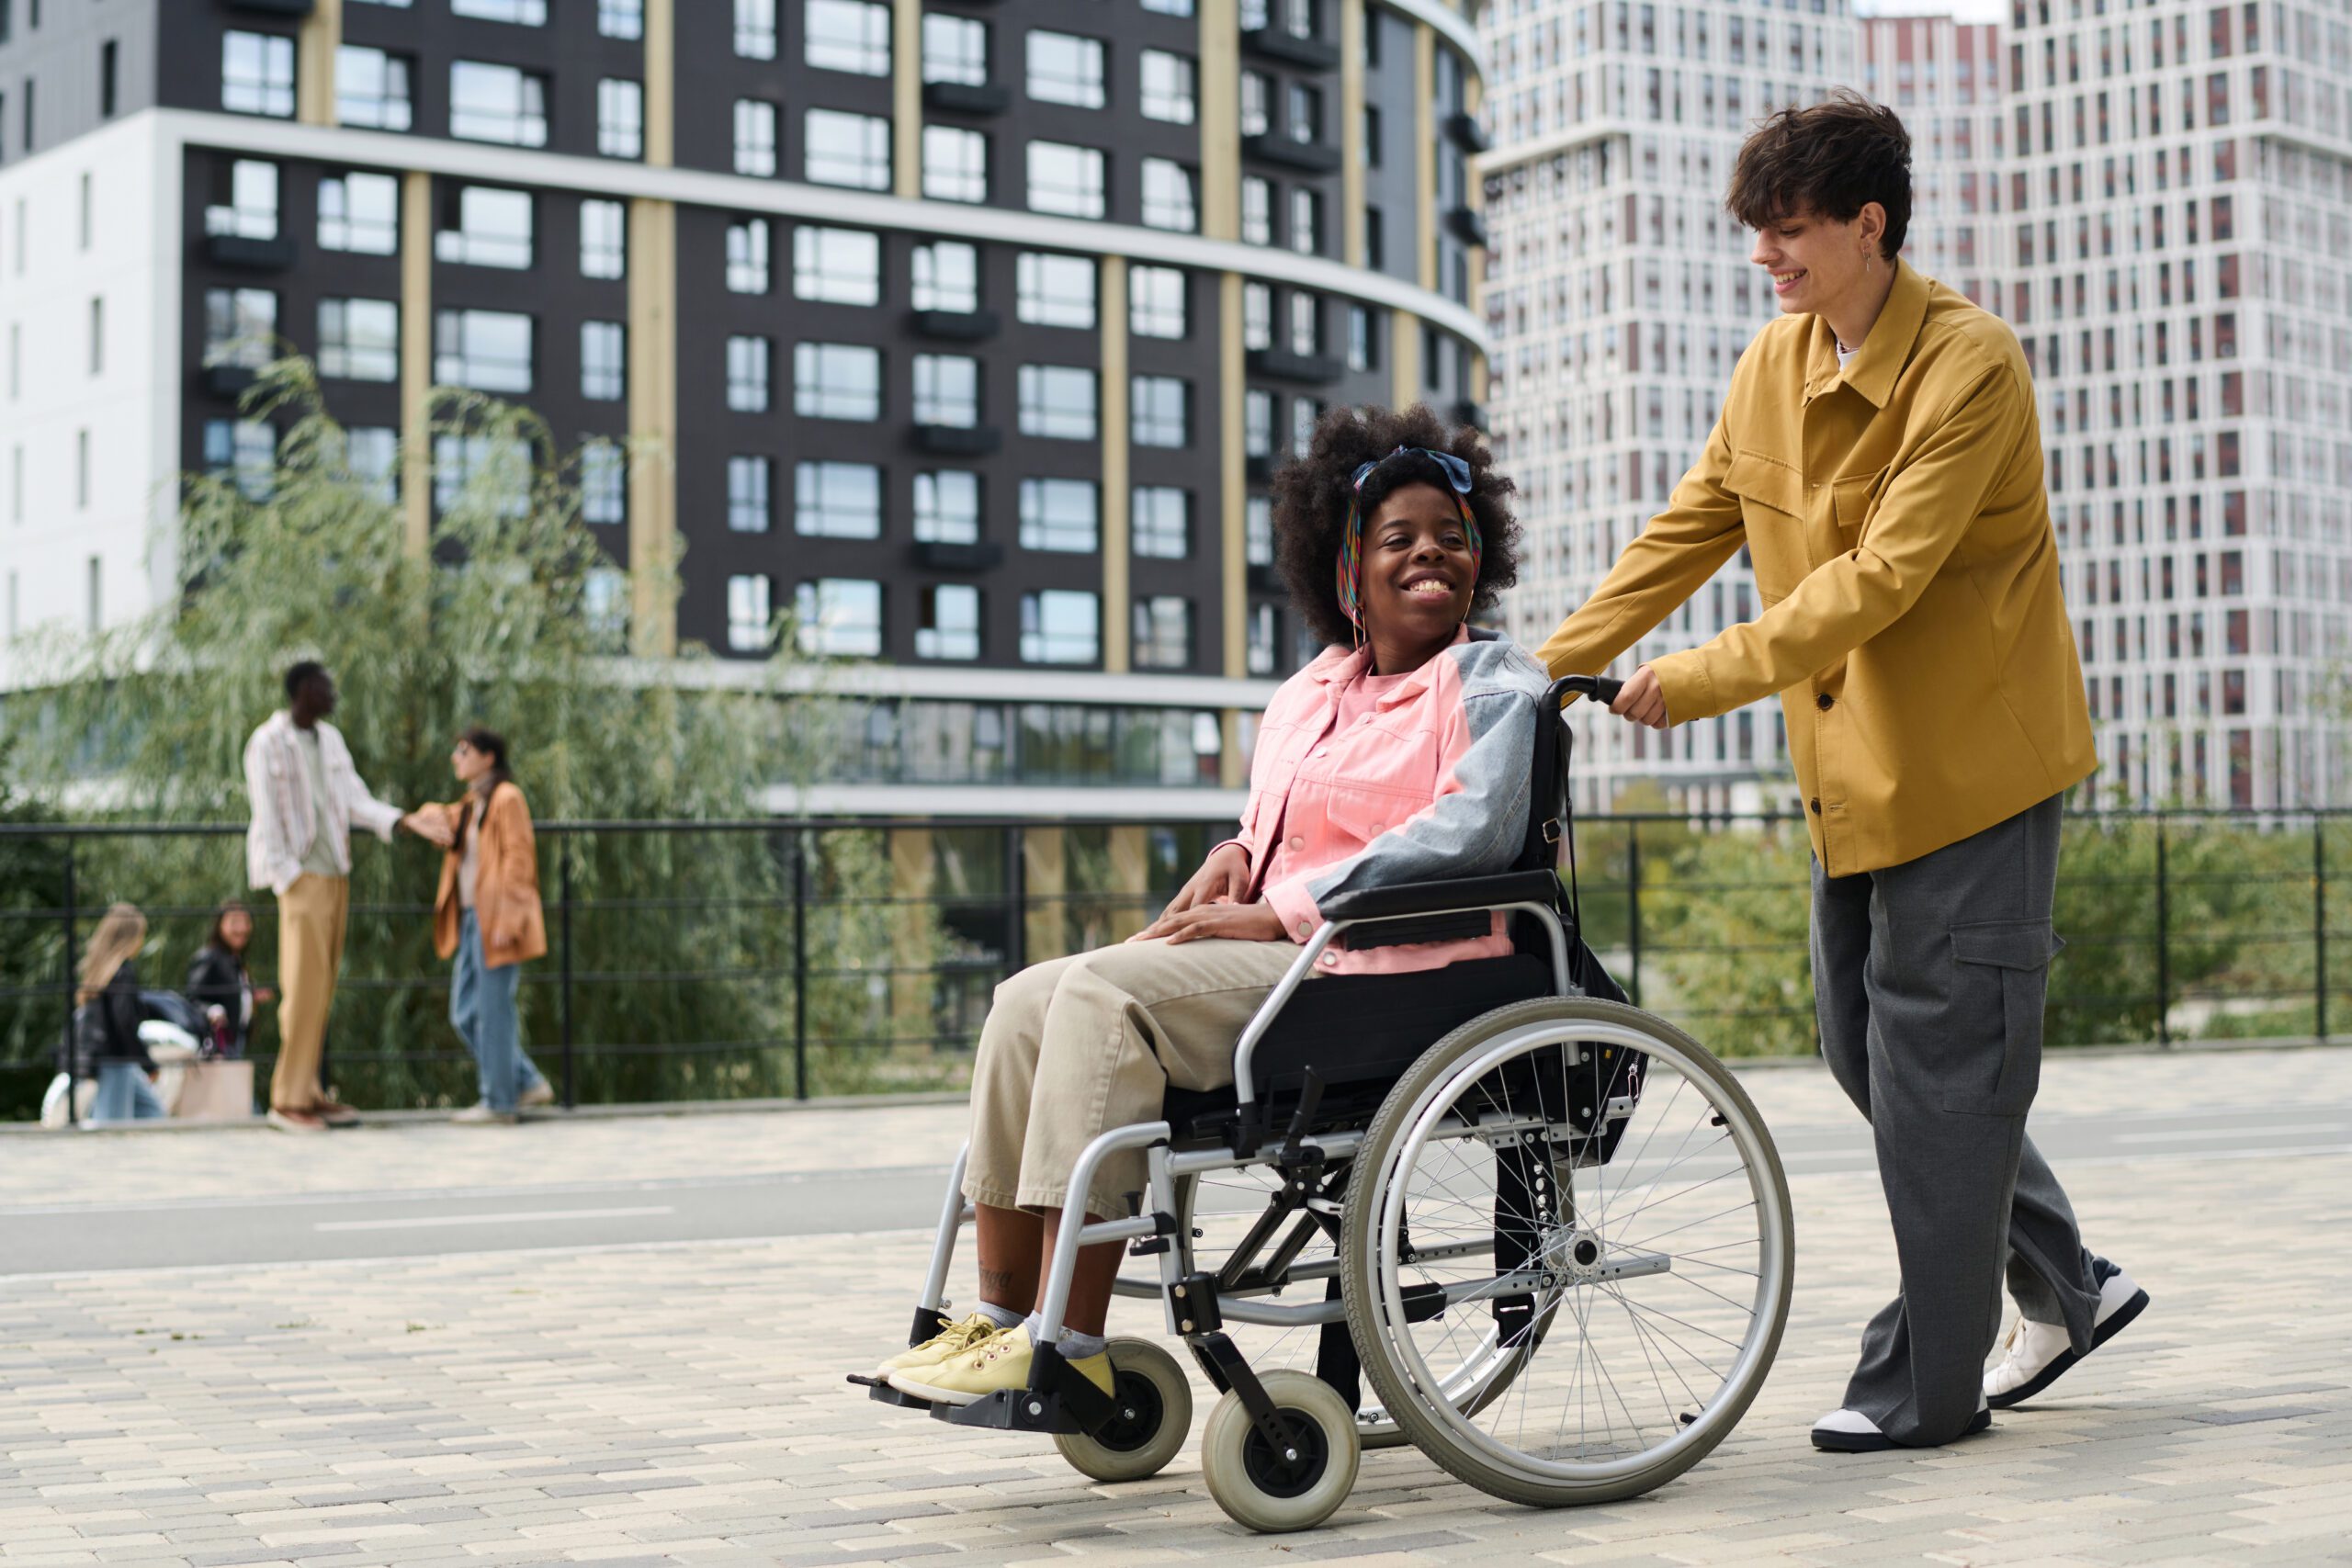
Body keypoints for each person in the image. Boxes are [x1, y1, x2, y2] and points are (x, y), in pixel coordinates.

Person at [1538, 94, 2145, 1452]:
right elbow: (1690, 526)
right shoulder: (1774, 362)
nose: (1768, 254)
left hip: (1974, 779)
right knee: (1874, 1055)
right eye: (1759, 231)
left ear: (1869, 226)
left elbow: (1879, 582)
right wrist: (1542, 669)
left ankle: (1924, 1390)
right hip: (1854, 781)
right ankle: (2066, 1277)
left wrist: (1689, 681)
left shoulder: (1971, 366)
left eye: (1791, 229)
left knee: (1938, 1071)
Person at [873, 403, 1546, 1406]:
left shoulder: (1493, 681)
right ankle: (999, 1320)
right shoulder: (1309, 692)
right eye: (1398, 539)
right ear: (1347, 568)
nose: (1430, 557)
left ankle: (1070, 1339)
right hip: (1294, 956)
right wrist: (1233, 853)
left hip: (1394, 970)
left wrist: (1279, 908)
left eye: (1452, 539)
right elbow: (1274, 823)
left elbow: (1471, 835)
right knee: (1023, 998)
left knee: (1102, 998)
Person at [243, 660, 442, 1132]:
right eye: (326, 686)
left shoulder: (329, 740)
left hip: (336, 874)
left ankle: (309, 1092)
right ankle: (287, 1100)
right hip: (301, 878)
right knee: (302, 988)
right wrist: (287, 876)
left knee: (323, 987)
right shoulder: (268, 741)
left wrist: (401, 820)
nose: (333, 694)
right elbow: (266, 813)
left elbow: (355, 798)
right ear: (304, 689)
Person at [409, 728, 553, 1125]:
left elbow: (518, 861)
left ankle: (499, 1101)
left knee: (492, 1011)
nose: (456, 757)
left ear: (489, 757)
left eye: (464, 751)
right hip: (472, 917)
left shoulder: (507, 799)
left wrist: (508, 919)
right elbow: (432, 817)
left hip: (496, 920)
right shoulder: (473, 803)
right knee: (464, 1011)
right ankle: (525, 1080)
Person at [76, 903, 166, 1124]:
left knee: (153, 1113)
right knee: (111, 1129)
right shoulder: (122, 972)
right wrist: (148, 1063)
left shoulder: (102, 972)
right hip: (117, 1060)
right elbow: (125, 1022)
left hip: (111, 1058)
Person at [186, 899, 273, 1056]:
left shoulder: (235, 960)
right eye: (234, 922)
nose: (241, 928)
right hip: (217, 1042)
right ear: (220, 925)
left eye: (246, 922)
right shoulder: (209, 958)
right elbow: (192, 999)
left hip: (237, 1037)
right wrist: (212, 1011)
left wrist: (250, 996)